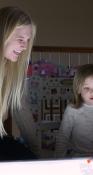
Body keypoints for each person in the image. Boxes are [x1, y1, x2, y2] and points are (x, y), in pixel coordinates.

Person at [0, 6, 37, 160]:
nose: (25, 46)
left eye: (27, 41)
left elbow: (22, 112)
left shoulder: (12, 70)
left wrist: (38, 153)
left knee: (28, 159)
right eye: (20, 40)